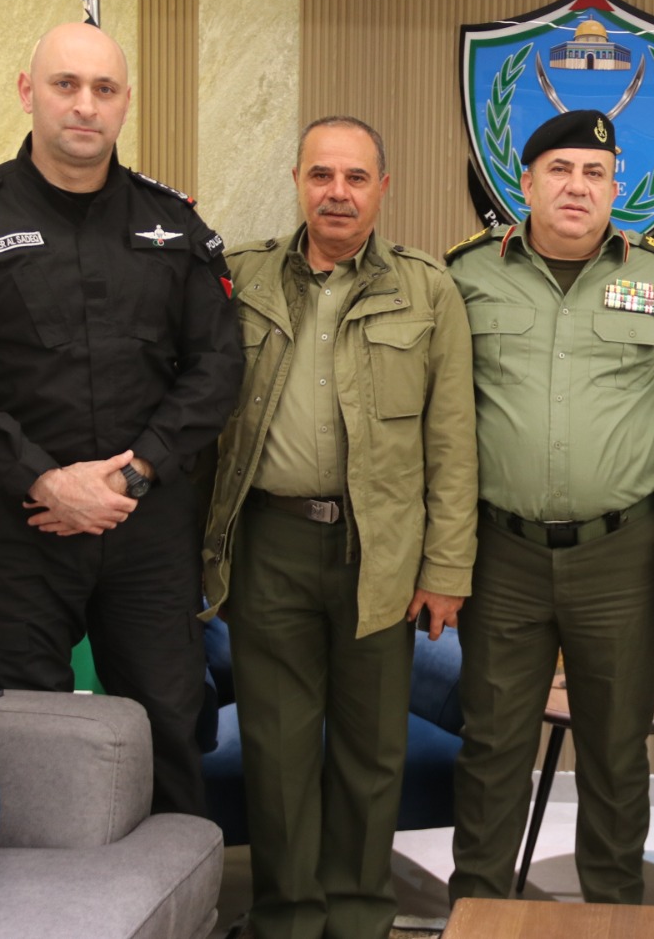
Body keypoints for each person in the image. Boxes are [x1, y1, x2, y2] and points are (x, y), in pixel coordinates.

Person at [0, 22, 241, 817]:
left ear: (125, 103)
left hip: (145, 525)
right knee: (21, 734)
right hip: (18, 525)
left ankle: (177, 884)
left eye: (104, 89)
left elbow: (218, 366)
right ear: (27, 92)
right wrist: (45, 478)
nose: (85, 105)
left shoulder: (174, 225)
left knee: (171, 723)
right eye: (65, 85)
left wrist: (133, 474)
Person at [201, 116, 478, 939]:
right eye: (321, 175)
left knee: (371, 748)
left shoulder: (427, 290)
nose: (338, 193)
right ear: (297, 181)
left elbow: (452, 442)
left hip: (380, 549)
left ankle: (359, 916)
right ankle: (286, 916)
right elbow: (200, 419)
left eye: (356, 178)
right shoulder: (240, 279)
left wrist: (446, 570)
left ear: (382, 188)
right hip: (270, 542)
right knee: (277, 748)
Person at [446, 110, 654, 905]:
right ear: (525, 183)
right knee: (491, 747)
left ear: (617, 187)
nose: (577, 187)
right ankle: (476, 914)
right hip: (501, 552)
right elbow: (440, 420)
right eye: (559, 169)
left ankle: (614, 917)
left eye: (595, 172)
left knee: (617, 751)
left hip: (620, 554)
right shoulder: (468, 275)